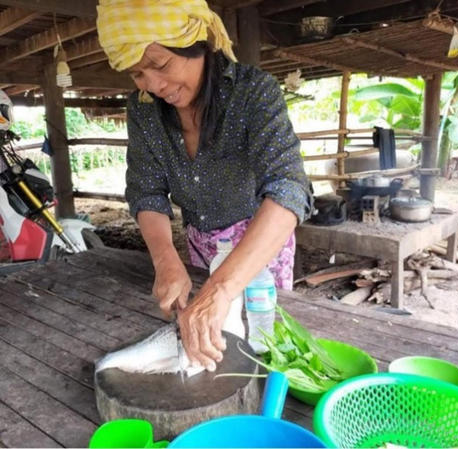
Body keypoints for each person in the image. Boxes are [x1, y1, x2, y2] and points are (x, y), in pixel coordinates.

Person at [96, 0, 312, 371]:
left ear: (196, 43)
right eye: (137, 74)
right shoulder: (144, 109)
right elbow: (146, 190)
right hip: (199, 241)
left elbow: (289, 186)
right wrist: (166, 261)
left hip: (260, 246)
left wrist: (221, 288)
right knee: (212, 349)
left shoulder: (253, 93)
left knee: (264, 349)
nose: (154, 85)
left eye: (161, 65)